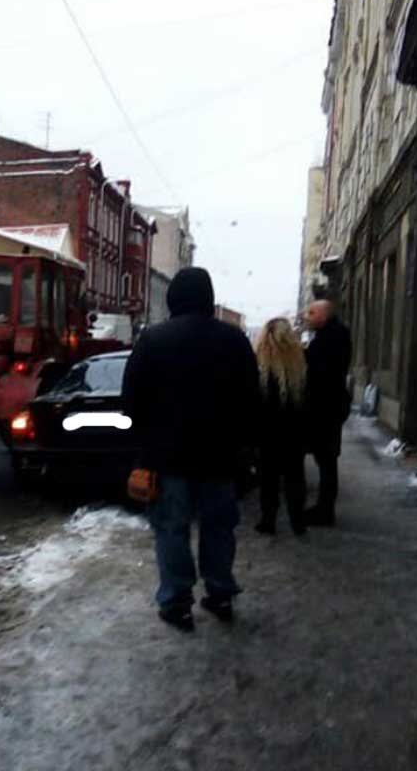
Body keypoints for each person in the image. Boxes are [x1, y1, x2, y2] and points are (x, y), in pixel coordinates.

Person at [122, 268, 260, 629]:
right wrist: (243, 448)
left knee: (171, 530)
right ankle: (220, 594)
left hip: (168, 460)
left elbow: (131, 401)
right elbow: (250, 401)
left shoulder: (153, 340)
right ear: (208, 298)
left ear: (173, 299)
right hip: (220, 459)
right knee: (219, 529)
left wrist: (149, 439)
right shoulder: (235, 340)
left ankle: (176, 602)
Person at [253, 318, 308, 536]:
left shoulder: (262, 368)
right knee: (295, 476)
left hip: (267, 433)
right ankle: (297, 521)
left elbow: (254, 402)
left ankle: (268, 520)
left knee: (268, 478)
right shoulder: (301, 364)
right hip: (294, 432)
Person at [303, 299, 352, 526]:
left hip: (326, 409)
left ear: (324, 315)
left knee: (327, 461)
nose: (308, 316)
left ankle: (325, 511)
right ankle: (324, 508)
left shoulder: (331, 338)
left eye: (312, 312)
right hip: (329, 407)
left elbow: (319, 371)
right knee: (326, 461)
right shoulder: (331, 335)